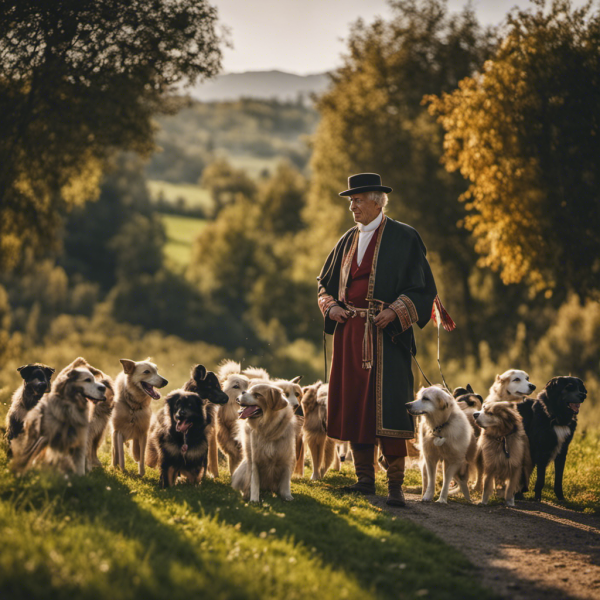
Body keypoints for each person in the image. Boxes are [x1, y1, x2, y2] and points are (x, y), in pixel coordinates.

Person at [317, 172, 441, 506]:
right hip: (350, 335)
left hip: (388, 336)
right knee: (356, 403)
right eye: (351, 202)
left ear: (376, 200)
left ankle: (396, 487)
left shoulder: (405, 237)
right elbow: (324, 286)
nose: (352, 207)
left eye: (357, 200)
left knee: (388, 405)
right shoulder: (346, 241)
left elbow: (424, 289)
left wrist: (396, 312)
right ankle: (364, 481)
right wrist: (331, 308)